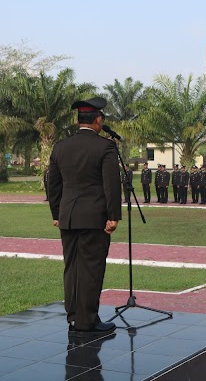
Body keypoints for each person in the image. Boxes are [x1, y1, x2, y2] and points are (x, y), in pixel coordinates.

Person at [48, 96, 120, 336]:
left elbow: (53, 184)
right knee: (91, 268)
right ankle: (87, 320)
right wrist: (113, 216)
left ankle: (73, 318)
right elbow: (111, 185)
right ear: (98, 120)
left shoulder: (60, 147)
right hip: (94, 218)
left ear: (79, 120)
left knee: (72, 268)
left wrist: (57, 213)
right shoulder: (105, 147)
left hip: (68, 217)